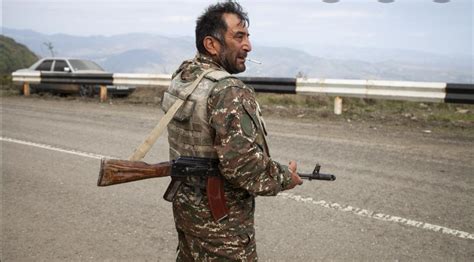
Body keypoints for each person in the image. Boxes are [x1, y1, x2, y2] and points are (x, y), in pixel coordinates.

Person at [161, 1, 303, 260]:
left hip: (188, 213)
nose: (248, 46)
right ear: (211, 45)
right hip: (222, 229)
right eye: (239, 37)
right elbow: (243, 166)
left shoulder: (185, 76)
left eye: (247, 36)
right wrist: (285, 177)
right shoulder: (229, 90)